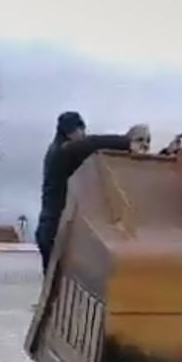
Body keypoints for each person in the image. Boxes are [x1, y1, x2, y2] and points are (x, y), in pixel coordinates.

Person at [35, 111, 134, 274]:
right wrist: (126, 141)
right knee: (62, 285)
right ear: (70, 131)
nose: (83, 134)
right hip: (53, 229)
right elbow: (90, 144)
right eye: (81, 130)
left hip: (52, 228)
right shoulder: (61, 152)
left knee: (58, 289)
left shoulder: (61, 153)